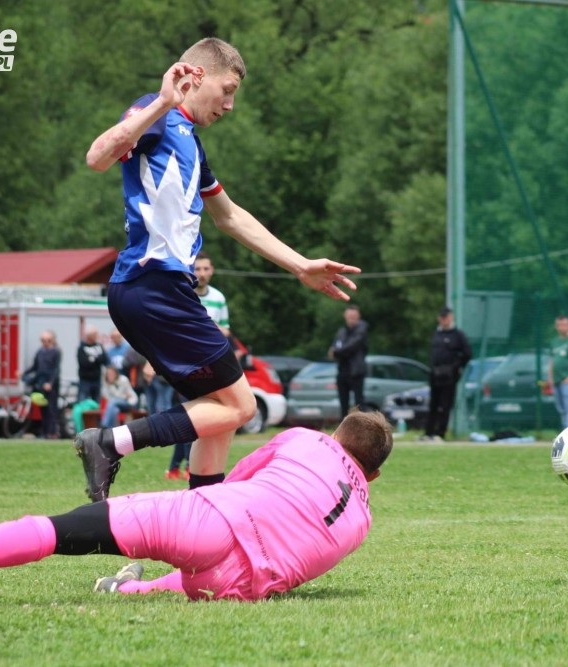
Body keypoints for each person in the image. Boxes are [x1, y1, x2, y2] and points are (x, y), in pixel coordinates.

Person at [76, 37, 358, 502]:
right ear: (195, 75)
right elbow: (97, 156)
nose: (229, 106)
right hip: (154, 286)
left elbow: (229, 216)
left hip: (155, 291)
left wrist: (300, 265)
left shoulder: (190, 142)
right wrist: (162, 101)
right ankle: (110, 442)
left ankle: (203, 517)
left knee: (219, 410)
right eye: (226, 91)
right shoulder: (155, 113)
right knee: (242, 406)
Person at [0, 410, 393, 603]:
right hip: (246, 583)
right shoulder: (364, 521)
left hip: (217, 520)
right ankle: (125, 588)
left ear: (334, 434)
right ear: (372, 475)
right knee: (202, 577)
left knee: (64, 529)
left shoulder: (304, 438)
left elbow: (236, 481)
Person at [166, 251, 232, 481]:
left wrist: (209, 327)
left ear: (212, 271)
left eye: (205, 269)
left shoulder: (218, 298)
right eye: (198, 269)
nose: (202, 273)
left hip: (211, 363)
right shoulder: (184, 294)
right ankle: (183, 467)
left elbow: (226, 330)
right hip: (186, 363)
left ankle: (178, 468)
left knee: (200, 416)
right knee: (191, 415)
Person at [422, 306, 472, 442]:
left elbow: (467, 354)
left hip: (449, 377)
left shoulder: (458, 335)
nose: (444, 320)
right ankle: (428, 433)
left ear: (451, 318)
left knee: (445, 405)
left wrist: (455, 368)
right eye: (442, 317)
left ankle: (440, 434)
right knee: (433, 405)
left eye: (446, 317)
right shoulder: (436, 334)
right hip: (435, 375)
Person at [329, 304, 369, 418]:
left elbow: (351, 346)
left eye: (354, 316)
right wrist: (338, 351)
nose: (351, 318)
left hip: (356, 371)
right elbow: (335, 346)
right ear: (345, 316)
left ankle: (362, 426)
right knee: (343, 403)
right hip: (343, 370)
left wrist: (337, 352)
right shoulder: (341, 331)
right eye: (349, 315)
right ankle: (344, 425)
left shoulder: (362, 328)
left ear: (358, 316)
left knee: (359, 402)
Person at [24, 330, 62, 439]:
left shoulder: (56, 351)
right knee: (43, 409)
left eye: (48, 340)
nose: (45, 342)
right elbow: (35, 367)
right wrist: (24, 373)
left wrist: (50, 383)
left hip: (51, 385)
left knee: (51, 409)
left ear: (52, 340)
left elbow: (56, 369)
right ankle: (45, 432)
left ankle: (52, 432)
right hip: (40, 382)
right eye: (43, 340)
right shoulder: (40, 351)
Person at [76, 326, 107, 402]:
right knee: (82, 401)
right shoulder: (82, 347)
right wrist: (96, 360)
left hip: (97, 379)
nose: (96, 336)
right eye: (95, 335)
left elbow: (104, 359)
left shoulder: (99, 346)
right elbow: (84, 363)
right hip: (85, 380)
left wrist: (93, 360)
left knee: (97, 401)